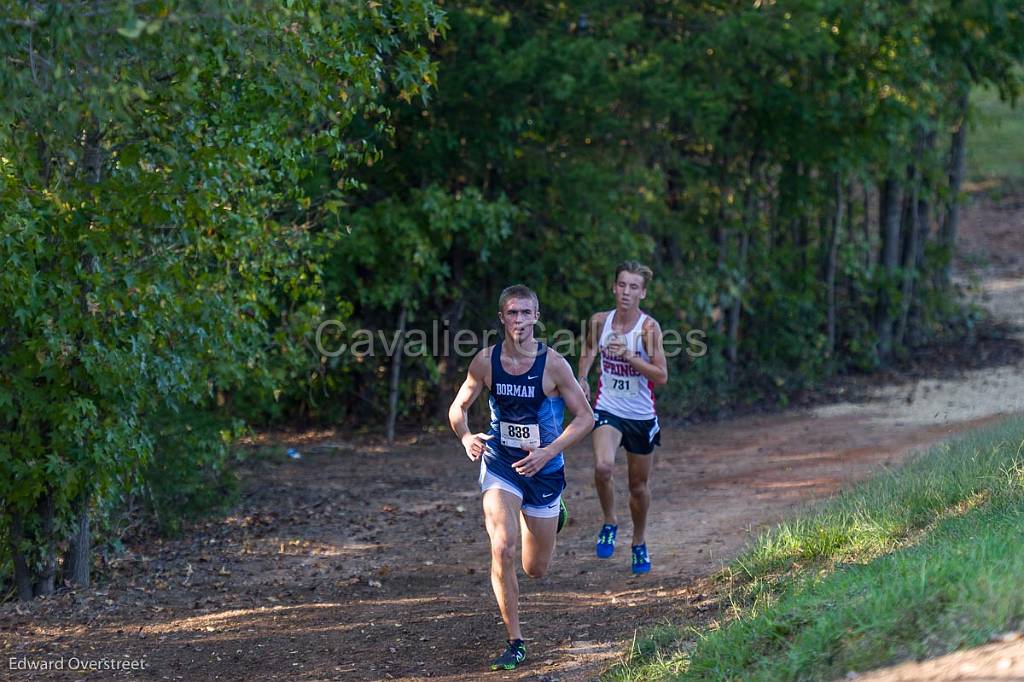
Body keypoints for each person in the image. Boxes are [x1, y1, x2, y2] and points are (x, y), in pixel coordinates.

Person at [448, 284, 594, 671]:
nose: (519, 321)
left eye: (526, 313)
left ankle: (552, 511)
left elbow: (585, 418)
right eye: (512, 313)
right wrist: (465, 436)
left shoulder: (554, 365)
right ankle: (515, 641)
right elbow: (458, 407)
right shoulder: (485, 361)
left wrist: (549, 451)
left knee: (535, 569)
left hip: (544, 471)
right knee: (502, 548)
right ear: (502, 318)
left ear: (536, 317)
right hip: (501, 464)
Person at [577, 261, 668, 574]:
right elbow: (589, 348)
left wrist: (629, 355)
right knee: (603, 467)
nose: (626, 292)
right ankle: (609, 521)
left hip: (641, 416)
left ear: (642, 292)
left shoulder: (648, 328)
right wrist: (583, 378)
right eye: (622, 285)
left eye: (633, 287)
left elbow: (661, 375)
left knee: (638, 488)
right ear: (613, 287)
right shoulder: (599, 321)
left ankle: (639, 542)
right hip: (608, 408)